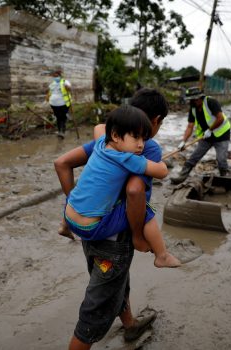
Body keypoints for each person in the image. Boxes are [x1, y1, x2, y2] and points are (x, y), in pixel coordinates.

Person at [54, 88, 170, 349]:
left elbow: (62, 161)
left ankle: (130, 325)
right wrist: (139, 235)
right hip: (114, 238)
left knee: (114, 283)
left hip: (90, 230)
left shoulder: (108, 139)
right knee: (95, 309)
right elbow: (134, 190)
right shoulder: (148, 147)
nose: (140, 142)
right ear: (157, 120)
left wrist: (76, 202)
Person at [59, 104, 180, 268]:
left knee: (80, 191)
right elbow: (162, 171)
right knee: (144, 207)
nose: (141, 145)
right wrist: (157, 161)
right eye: (136, 137)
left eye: (144, 139)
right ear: (115, 135)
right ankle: (161, 255)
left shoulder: (101, 143)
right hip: (90, 228)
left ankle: (64, 226)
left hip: (69, 214)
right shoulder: (127, 158)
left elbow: (98, 128)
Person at [170, 88, 231, 185]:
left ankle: (225, 178)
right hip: (206, 137)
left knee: (221, 159)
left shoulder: (211, 102)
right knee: (194, 157)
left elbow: (220, 118)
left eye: (193, 100)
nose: (191, 102)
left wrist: (210, 130)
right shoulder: (193, 108)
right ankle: (181, 176)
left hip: (221, 135)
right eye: (190, 100)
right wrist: (183, 141)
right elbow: (190, 126)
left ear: (199, 98)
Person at [46, 67, 72, 138]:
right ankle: (59, 131)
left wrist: (67, 87)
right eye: (54, 76)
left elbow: (69, 88)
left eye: (56, 76)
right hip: (54, 104)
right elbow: (49, 92)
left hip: (63, 104)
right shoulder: (52, 84)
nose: (55, 77)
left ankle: (63, 131)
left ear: (60, 75)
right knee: (58, 117)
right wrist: (47, 97)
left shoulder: (64, 82)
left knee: (62, 117)